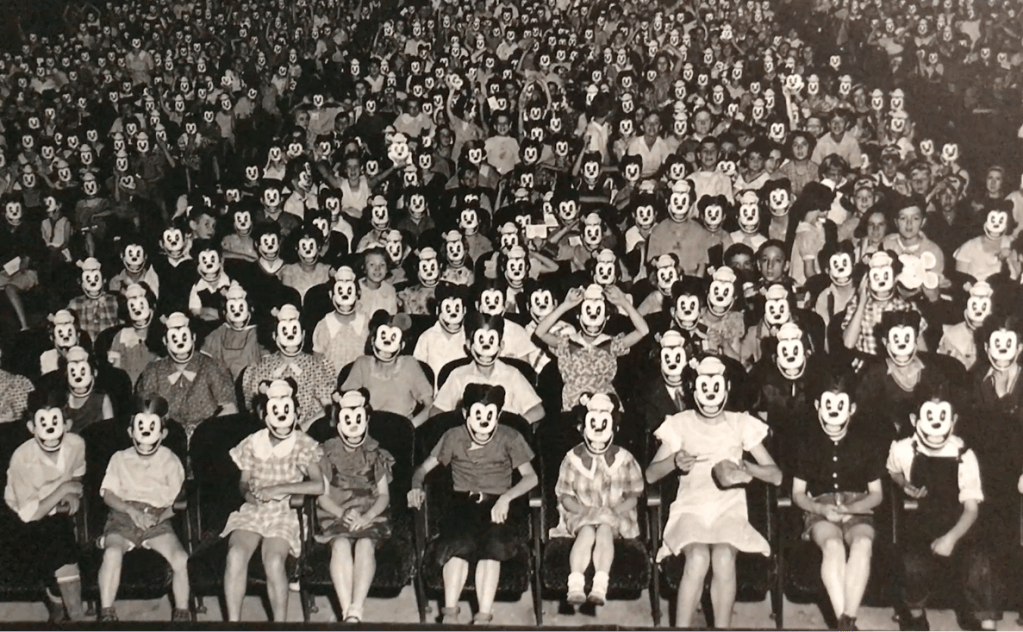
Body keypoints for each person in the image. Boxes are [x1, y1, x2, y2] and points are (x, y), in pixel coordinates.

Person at [646, 356, 782, 628]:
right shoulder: (680, 423)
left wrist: (747, 468)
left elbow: (776, 475)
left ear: (727, 387)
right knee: (697, 557)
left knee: (723, 557)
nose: (710, 395)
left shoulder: (740, 423)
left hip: (728, 509)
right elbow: (650, 474)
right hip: (690, 508)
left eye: (716, 386)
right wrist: (674, 462)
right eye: (703, 387)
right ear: (693, 390)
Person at [408, 383, 538, 625]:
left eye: (490, 415)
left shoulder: (511, 437)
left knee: (492, 549)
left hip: (497, 503)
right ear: (466, 413)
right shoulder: (453, 436)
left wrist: (506, 498)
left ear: (498, 415)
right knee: (457, 548)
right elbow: (423, 469)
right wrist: (416, 485)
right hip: (462, 505)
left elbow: (531, 477)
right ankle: (449, 616)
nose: (484, 421)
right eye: (477, 414)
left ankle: (483, 619)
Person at [221, 379, 325, 622]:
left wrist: (280, 489)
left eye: (287, 410)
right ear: (264, 414)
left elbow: (318, 485)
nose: (281, 418)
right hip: (254, 510)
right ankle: (232, 623)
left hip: (286, 512)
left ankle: (280, 624)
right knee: (235, 554)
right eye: (274, 411)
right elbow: (243, 482)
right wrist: (248, 494)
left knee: (274, 561)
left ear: (296, 413)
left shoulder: (302, 443)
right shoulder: (253, 442)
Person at [793, 371, 885, 631]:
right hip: (821, 507)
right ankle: (845, 624)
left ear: (852, 408)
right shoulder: (806, 443)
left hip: (858, 506)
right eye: (828, 404)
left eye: (841, 405)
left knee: (862, 543)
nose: (833, 411)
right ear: (817, 406)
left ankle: (846, 622)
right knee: (833, 546)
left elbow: (876, 494)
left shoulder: (866, 443)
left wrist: (851, 508)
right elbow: (798, 494)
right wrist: (820, 508)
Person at [95, 396, 190, 622]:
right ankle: (106, 613)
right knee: (112, 553)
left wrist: (157, 518)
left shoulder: (170, 460)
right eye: (140, 428)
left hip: (157, 518)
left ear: (163, 434)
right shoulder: (119, 458)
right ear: (131, 432)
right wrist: (131, 511)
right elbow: (108, 494)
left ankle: (182, 614)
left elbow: (177, 502)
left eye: (152, 429)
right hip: (123, 515)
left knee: (180, 558)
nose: (146, 436)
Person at [550, 392, 643, 606]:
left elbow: (633, 496)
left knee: (604, 530)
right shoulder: (572, 459)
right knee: (587, 531)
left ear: (614, 428)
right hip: (581, 513)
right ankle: (575, 584)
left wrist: (613, 512)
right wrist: (586, 512)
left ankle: (600, 585)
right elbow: (565, 496)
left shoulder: (625, 459)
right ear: (582, 428)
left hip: (615, 515)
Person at [4, 393, 86, 622]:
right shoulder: (21, 458)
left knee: (60, 534)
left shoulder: (76, 445)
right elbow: (29, 513)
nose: (50, 429)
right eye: (42, 423)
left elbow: (78, 473)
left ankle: (70, 611)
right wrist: (63, 489)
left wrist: (72, 491)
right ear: (31, 427)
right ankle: (68, 609)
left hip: (56, 513)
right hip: (19, 518)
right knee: (57, 538)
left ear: (67, 425)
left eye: (55, 422)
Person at [315, 390, 394, 624]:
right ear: (337, 422)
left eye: (359, 420)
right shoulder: (326, 453)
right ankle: (346, 613)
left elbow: (384, 495)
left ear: (366, 420)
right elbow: (321, 496)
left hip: (370, 514)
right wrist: (342, 513)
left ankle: (356, 609)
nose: (354, 427)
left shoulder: (375, 454)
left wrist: (367, 516)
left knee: (364, 544)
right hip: (336, 512)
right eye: (347, 420)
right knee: (340, 545)